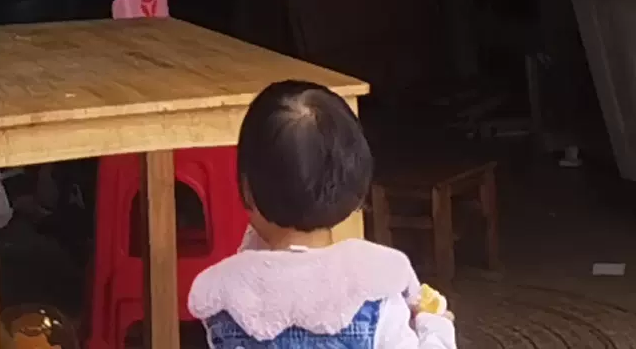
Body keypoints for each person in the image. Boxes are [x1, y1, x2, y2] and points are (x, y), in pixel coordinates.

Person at [186, 83, 459, 349]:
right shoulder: (375, 288)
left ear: (246, 187)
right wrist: (435, 324)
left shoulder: (222, 299)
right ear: (356, 188)